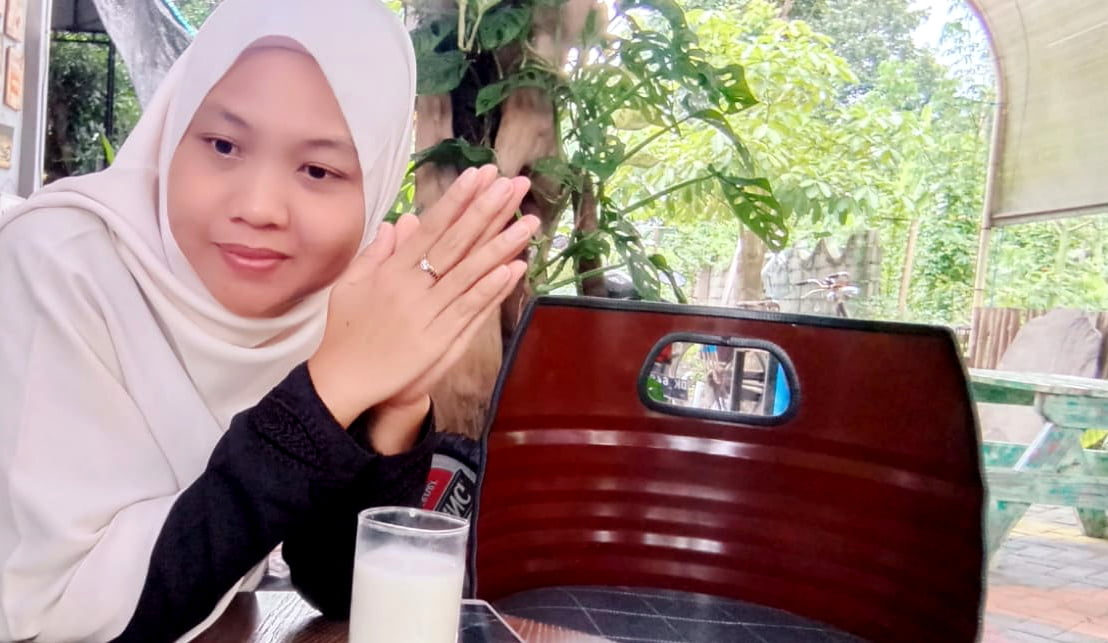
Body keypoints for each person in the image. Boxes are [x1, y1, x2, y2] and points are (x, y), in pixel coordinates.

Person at [0, 0, 539, 641]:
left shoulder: (326, 303)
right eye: (223, 145)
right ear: (172, 129)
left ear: (374, 184)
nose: (258, 208)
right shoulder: (56, 263)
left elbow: (333, 585)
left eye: (318, 170)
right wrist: (323, 394)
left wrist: (393, 411)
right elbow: (59, 615)